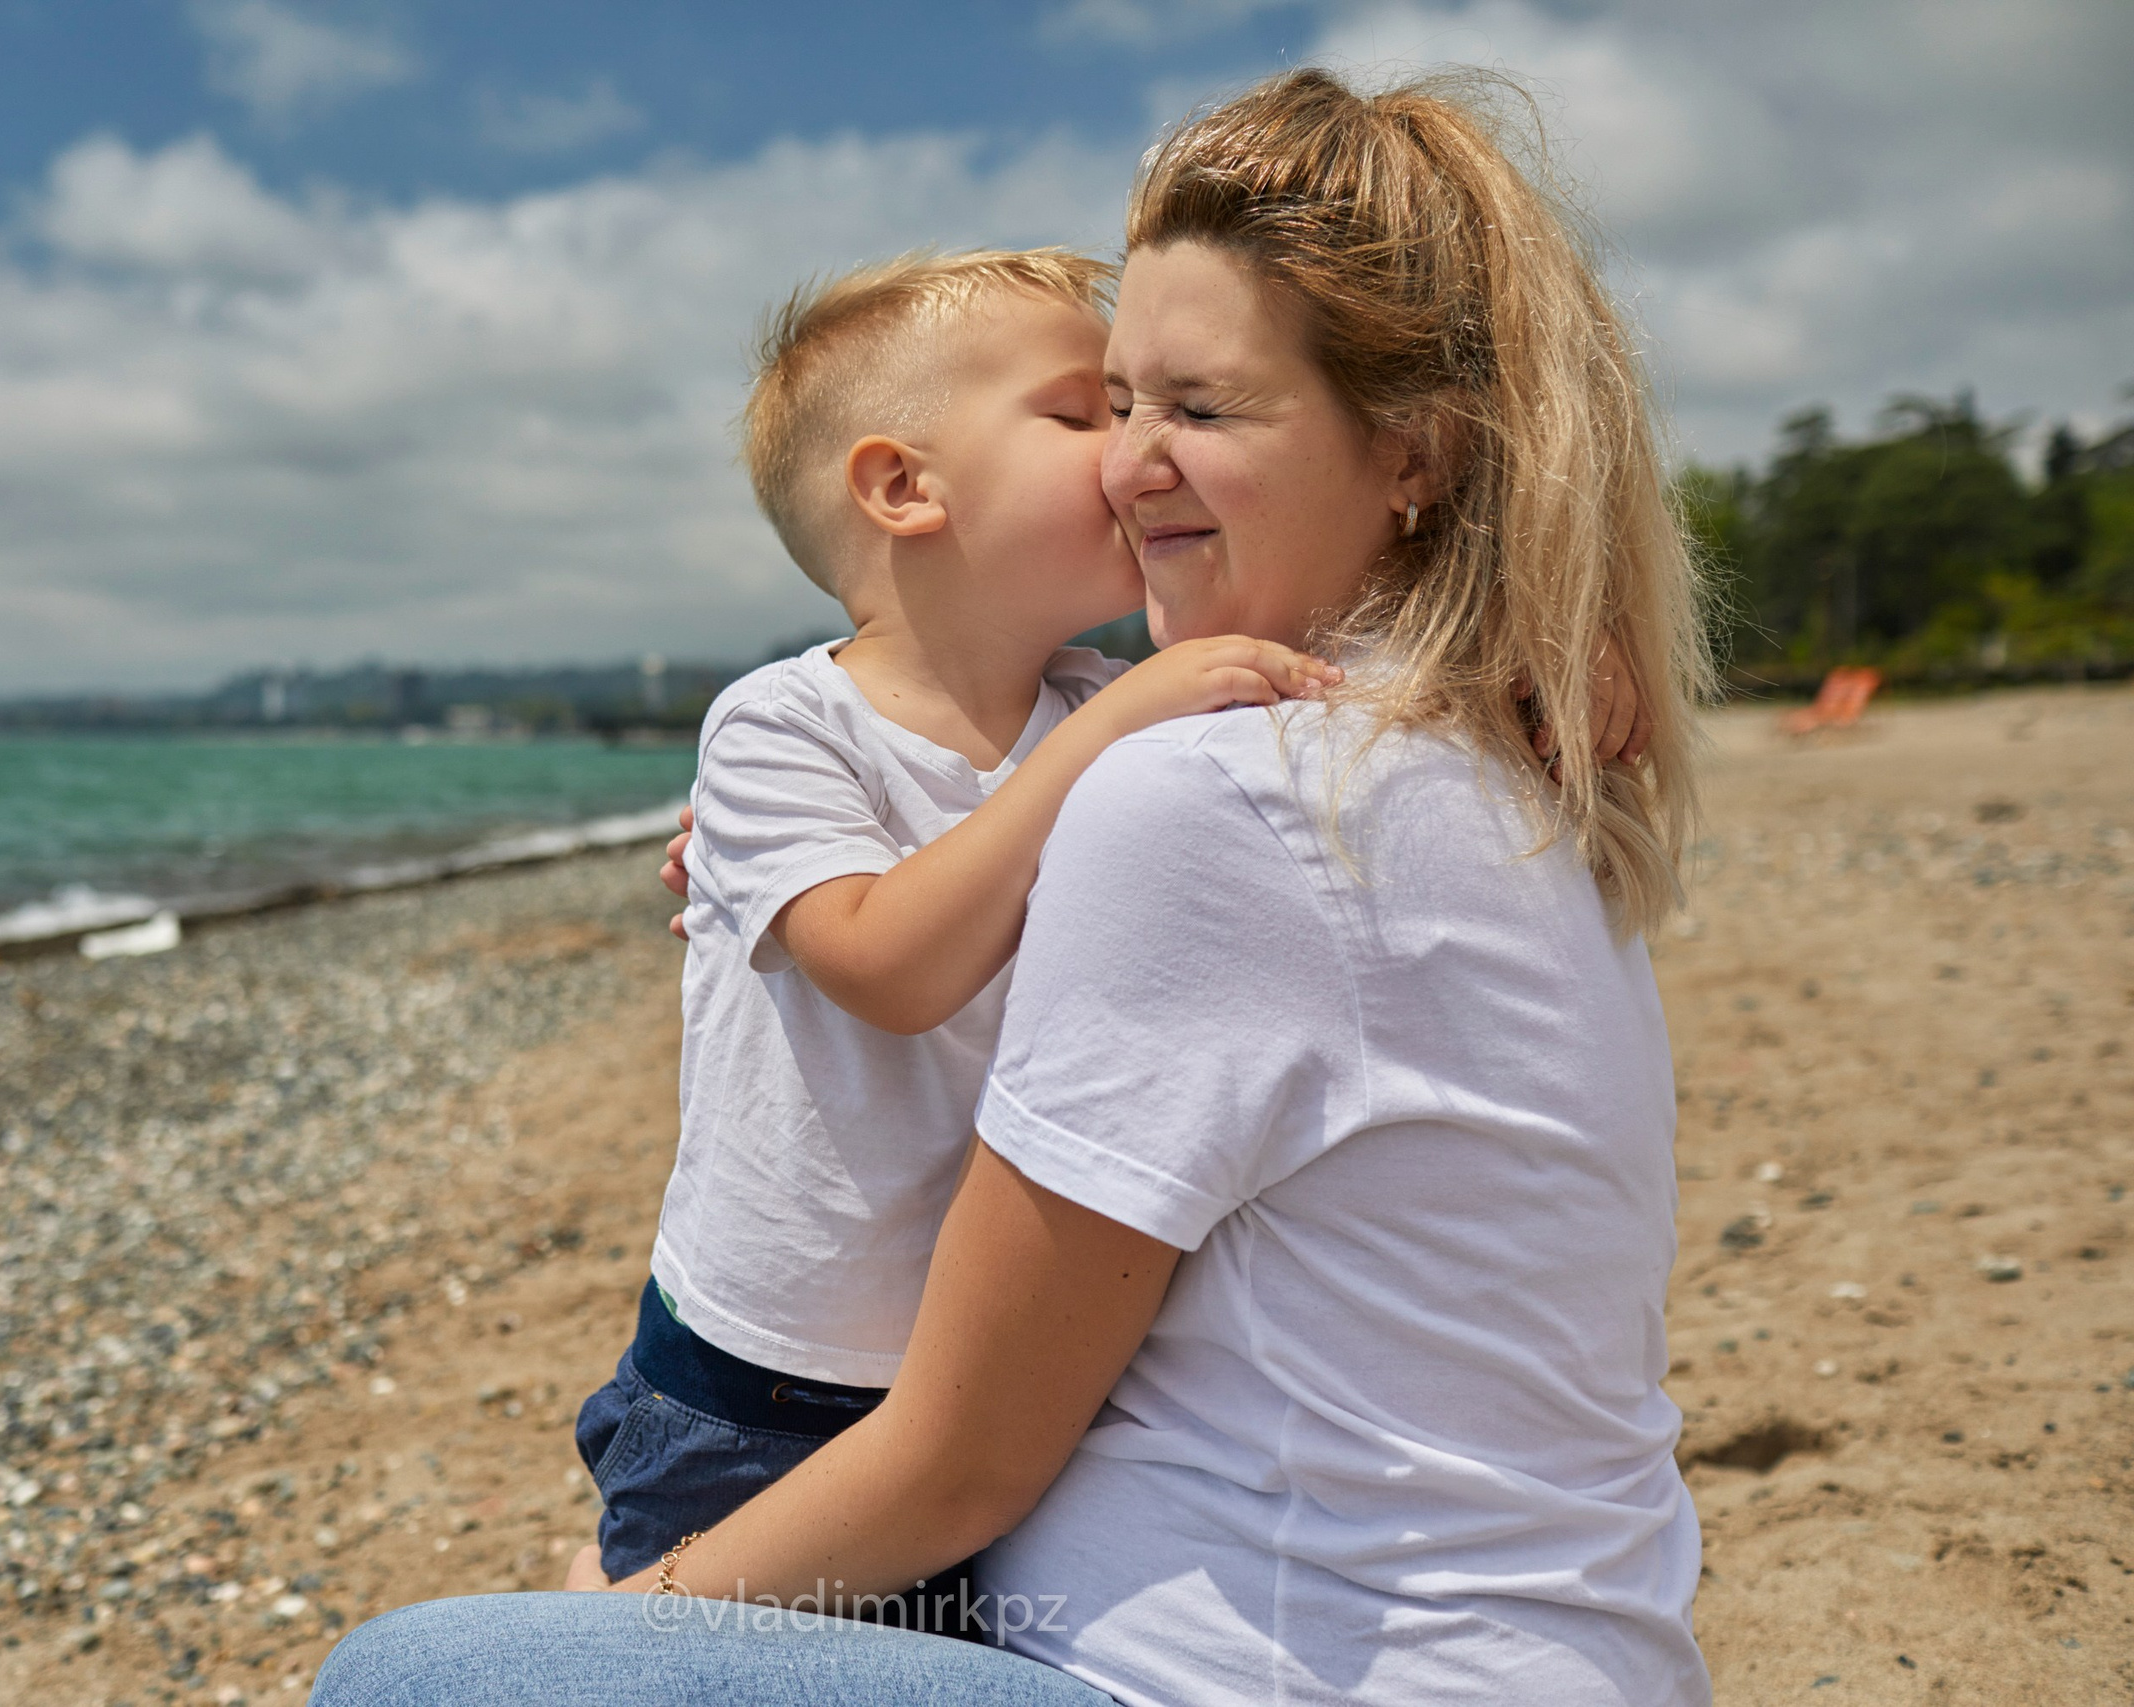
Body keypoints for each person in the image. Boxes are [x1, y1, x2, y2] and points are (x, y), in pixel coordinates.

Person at [317, 64, 1707, 1706]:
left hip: (1244, 1656)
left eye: (1197, 410)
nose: (1126, 465)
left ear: (1413, 450)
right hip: (806, 1404)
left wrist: (628, 1621)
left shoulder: (1209, 777)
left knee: (409, 1683)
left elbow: (963, 1464)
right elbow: (904, 929)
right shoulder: (1447, 764)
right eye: (1107, 406)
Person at [579, 248, 1343, 1597]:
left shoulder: (1100, 704)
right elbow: (888, 966)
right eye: (1083, 412)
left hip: (998, 1374)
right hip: (760, 1388)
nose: (1131, 453)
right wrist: (1113, 728)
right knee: (707, 1669)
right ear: (902, 488)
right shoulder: (784, 723)